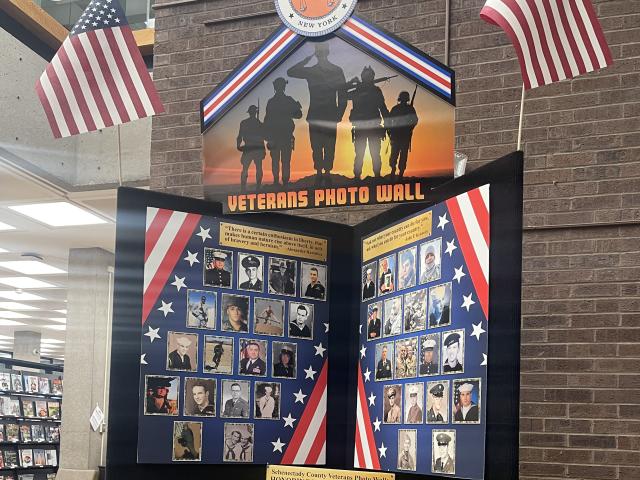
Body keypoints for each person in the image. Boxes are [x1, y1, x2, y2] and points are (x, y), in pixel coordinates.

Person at [287, 43, 347, 184]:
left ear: (325, 52)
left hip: (330, 115)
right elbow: (291, 72)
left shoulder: (336, 71)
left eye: (321, 51)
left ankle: (326, 173)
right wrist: (306, 60)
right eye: (318, 52)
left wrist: (338, 115)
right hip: (315, 115)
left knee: (330, 146)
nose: (320, 54)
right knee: (317, 147)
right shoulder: (312, 71)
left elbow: (342, 95)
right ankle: (320, 172)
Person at [347, 66, 389, 180]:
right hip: (361, 128)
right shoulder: (358, 90)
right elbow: (343, 95)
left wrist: (389, 124)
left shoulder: (375, 91)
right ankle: (357, 177)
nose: (368, 78)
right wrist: (352, 83)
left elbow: (383, 108)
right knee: (360, 154)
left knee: (374, 154)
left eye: (369, 76)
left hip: (373, 128)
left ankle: (376, 175)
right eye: (366, 76)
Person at [263, 77, 303, 186]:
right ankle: (278, 182)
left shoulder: (278, 101)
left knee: (282, 161)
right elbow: (267, 120)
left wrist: (294, 109)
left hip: (284, 136)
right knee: (280, 161)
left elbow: (298, 115)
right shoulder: (283, 101)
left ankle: (281, 182)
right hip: (278, 136)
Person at [387, 90, 418, 180]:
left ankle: (398, 172)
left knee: (398, 154)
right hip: (399, 135)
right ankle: (396, 171)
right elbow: (389, 120)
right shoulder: (400, 109)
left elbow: (415, 120)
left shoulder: (397, 108)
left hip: (401, 135)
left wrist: (409, 128)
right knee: (398, 154)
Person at [237, 104, 266, 191]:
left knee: (251, 168)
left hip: (251, 148)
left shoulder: (247, 123)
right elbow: (262, 138)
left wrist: (238, 146)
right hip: (254, 148)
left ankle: (246, 187)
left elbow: (239, 137)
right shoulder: (258, 123)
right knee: (252, 168)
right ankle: (254, 187)